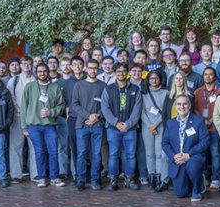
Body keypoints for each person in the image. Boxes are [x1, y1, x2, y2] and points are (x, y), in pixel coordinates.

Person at [22, 63, 66, 188]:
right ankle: (42, 178)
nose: (42, 73)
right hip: (34, 126)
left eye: (44, 71)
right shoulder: (29, 87)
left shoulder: (55, 87)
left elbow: (61, 106)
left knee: (53, 151)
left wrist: (50, 112)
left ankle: (54, 177)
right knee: (39, 152)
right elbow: (24, 108)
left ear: (48, 72)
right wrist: (24, 127)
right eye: (40, 71)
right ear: (36, 72)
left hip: (50, 125)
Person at [101, 63, 142, 191]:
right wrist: (116, 123)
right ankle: (113, 179)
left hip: (131, 129)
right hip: (113, 129)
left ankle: (129, 179)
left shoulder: (135, 89)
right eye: (118, 71)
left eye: (124, 71)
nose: (121, 73)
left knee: (130, 155)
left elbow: (137, 109)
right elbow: (105, 108)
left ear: (128, 72)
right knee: (113, 154)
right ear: (115, 73)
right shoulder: (108, 89)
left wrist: (128, 124)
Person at [162, 94, 209, 201]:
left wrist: (189, 154)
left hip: (193, 157)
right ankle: (192, 184)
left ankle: (197, 189)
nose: (182, 107)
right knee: (180, 194)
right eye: (179, 104)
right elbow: (165, 143)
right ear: (175, 106)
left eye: (185, 104)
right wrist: (174, 156)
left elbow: (205, 142)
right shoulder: (170, 123)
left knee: (192, 167)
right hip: (177, 159)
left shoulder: (198, 121)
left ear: (189, 106)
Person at [71, 59, 105, 191]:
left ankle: (95, 180)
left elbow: (106, 105)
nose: (93, 70)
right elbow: (74, 104)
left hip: (97, 125)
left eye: (95, 68)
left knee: (96, 153)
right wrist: (88, 116)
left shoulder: (103, 86)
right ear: (86, 68)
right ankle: (81, 180)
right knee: (81, 153)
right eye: (90, 68)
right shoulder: (79, 85)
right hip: (82, 125)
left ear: (98, 68)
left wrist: (96, 117)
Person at [193, 67, 220, 189]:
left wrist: (211, 120)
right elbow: (194, 109)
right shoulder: (197, 92)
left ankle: (216, 178)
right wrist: (203, 120)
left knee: (216, 154)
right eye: (206, 74)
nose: (208, 76)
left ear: (215, 77)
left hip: (215, 128)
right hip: (202, 129)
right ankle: (204, 177)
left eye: (211, 74)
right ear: (203, 76)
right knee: (202, 154)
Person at [7, 56, 35, 183]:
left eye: (29, 63)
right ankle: (16, 175)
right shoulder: (13, 80)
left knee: (34, 147)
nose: (26, 66)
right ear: (20, 65)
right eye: (24, 63)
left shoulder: (35, 79)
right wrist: (17, 107)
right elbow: (10, 97)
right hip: (17, 117)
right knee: (15, 146)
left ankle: (35, 174)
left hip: (33, 118)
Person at [141, 70, 170, 191]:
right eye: (151, 78)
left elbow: (165, 111)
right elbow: (142, 111)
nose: (154, 81)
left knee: (160, 154)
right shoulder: (143, 93)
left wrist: (156, 125)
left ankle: (160, 176)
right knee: (150, 153)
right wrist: (149, 125)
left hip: (161, 125)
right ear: (148, 80)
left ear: (160, 79)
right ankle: (151, 175)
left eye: (156, 78)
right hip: (147, 126)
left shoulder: (166, 93)